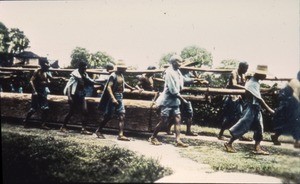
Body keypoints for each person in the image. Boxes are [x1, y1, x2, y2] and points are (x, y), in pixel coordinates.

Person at [224, 65, 275, 155]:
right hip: (251, 108)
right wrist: (270, 110)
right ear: (259, 74)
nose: (265, 77)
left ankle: (257, 147)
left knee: (259, 128)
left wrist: (270, 90)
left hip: (256, 108)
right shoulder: (253, 83)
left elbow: (258, 95)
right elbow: (259, 99)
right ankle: (229, 143)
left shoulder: (255, 82)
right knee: (243, 125)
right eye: (264, 75)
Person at [148, 54, 189, 147]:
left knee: (178, 119)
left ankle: (178, 140)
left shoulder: (178, 71)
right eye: (179, 62)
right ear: (174, 62)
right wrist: (182, 99)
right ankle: (153, 137)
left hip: (175, 101)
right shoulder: (169, 72)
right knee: (164, 121)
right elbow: (172, 89)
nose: (180, 64)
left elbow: (181, 84)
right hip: (167, 100)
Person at [165, 59, 209, 136]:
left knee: (189, 113)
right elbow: (185, 80)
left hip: (187, 96)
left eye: (192, 66)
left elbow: (197, 79)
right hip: (179, 95)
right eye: (190, 65)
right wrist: (195, 80)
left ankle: (188, 131)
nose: (191, 67)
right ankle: (168, 129)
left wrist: (197, 77)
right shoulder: (179, 72)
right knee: (176, 114)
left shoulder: (189, 73)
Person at [95, 60, 136, 141]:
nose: (125, 70)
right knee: (108, 116)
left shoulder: (121, 75)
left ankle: (120, 135)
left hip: (120, 96)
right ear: (120, 68)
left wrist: (131, 88)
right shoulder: (113, 76)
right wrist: (113, 98)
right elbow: (109, 87)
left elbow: (123, 83)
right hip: (114, 96)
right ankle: (98, 130)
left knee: (122, 115)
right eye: (124, 68)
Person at [23, 57, 62, 129]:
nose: (47, 67)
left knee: (46, 108)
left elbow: (52, 78)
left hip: (43, 92)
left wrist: (60, 78)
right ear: (43, 65)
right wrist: (34, 91)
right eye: (46, 66)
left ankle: (43, 124)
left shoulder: (46, 72)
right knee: (33, 109)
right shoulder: (37, 71)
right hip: (37, 91)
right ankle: (26, 121)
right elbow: (31, 81)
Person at [60, 61, 98, 135]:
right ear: (80, 67)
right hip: (74, 95)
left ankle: (83, 129)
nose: (85, 69)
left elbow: (92, 81)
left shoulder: (84, 75)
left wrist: (102, 83)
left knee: (85, 111)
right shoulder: (74, 76)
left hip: (81, 94)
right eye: (84, 68)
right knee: (71, 111)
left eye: (86, 68)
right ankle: (63, 126)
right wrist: (69, 97)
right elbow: (69, 86)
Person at [218, 62, 253, 142]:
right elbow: (234, 84)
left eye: (247, 68)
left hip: (238, 96)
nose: (246, 70)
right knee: (229, 117)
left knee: (240, 116)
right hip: (231, 96)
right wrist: (246, 87)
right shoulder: (234, 73)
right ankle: (220, 134)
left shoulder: (243, 75)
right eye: (245, 68)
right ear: (240, 67)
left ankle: (239, 135)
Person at [271, 71, 300, 148]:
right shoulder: (297, 84)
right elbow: (295, 97)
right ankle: (297, 141)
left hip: (288, 104)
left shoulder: (294, 81)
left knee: (290, 123)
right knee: (295, 123)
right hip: (290, 105)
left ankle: (276, 135)